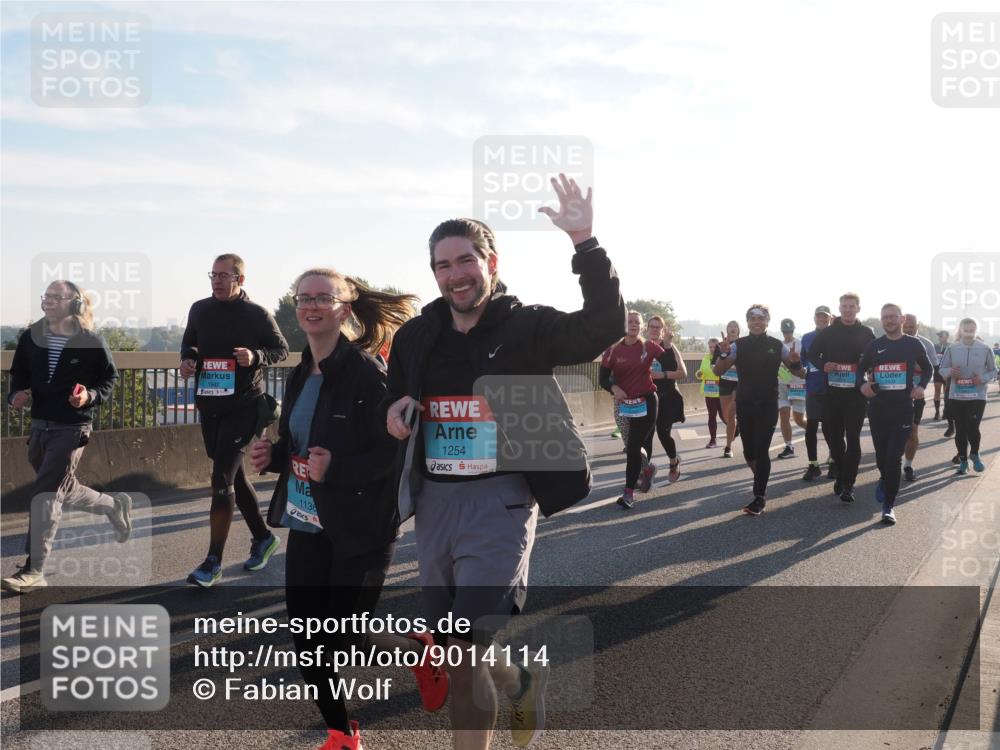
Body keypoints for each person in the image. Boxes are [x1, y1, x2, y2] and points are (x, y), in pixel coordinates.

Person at [381, 174, 624, 749]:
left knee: (464, 648)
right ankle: (519, 681)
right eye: (443, 265)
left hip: (503, 500)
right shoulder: (417, 336)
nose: (455, 274)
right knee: (458, 644)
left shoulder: (527, 326)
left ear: (491, 263)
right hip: (436, 503)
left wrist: (585, 243)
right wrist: (394, 413)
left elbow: (603, 325)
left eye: (466, 260)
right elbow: (397, 396)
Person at [249, 269, 445, 750]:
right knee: (306, 640)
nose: (311, 306)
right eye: (304, 298)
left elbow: (393, 454)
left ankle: (419, 652)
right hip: (308, 521)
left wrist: (337, 468)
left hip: (362, 526)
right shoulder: (300, 373)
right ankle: (342, 734)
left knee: (345, 640)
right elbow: (300, 444)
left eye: (324, 298)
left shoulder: (366, 373)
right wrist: (274, 455)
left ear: (345, 309)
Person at [2, 281, 133, 594]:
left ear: (74, 303)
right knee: (63, 487)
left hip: (72, 427)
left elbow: (109, 379)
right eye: (46, 296)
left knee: (46, 493)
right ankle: (113, 505)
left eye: (55, 297)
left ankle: (34, 569)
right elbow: (18, 373)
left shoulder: (89, 340)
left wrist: (89, 396)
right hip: (40, 424)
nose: (48, 301)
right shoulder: (31, 336)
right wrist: (16, 394)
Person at [180, 254, 289, 587]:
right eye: (213, 275)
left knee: (221, 478)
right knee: (233, 477)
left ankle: (212, 562)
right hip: (210, 404)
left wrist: (255, 356)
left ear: (240, 279)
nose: (216, 281)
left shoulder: (256, 314)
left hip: (244, 406)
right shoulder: (200, 309)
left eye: (223, 275)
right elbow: (190, 345)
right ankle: (263, 537)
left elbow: (281, 349)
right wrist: (187, 361)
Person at [713, 304, 806, 515]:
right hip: (745, 403)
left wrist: (796, 363)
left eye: (761, 318)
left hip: (767, 404)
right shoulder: (738, 345)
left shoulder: (777, 345)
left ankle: (759, 496)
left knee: (762, 450)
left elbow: (800, 373)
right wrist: (723, 354)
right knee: (749, 452)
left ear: (767, 322)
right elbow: (719, 371)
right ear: (747, 322)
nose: (757, 322)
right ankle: (761, 480)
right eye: (753, 319)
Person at [857, 304, 932, 524]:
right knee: (882, 457)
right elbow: (859, 370)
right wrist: (862, 385)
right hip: (878, 409)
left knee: (893, 458)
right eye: (885, 317)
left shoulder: (913, 344)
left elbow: (928, 368)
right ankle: (885, 477)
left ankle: (888, 506)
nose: (889, 321)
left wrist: (921, 386)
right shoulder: (874, 345)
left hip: (902, 409)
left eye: (892, 317)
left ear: (902, 319)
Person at [805, 292, 876, 503]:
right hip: (832, 394)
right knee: (834, 439)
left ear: (858, 309)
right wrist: (823, 364)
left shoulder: (866, 333)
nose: (848, 310)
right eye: (844, 306)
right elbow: (812, 354)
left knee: (852, 438)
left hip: (855, 395)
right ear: (839, 308)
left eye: (851, 306)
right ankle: (842, 473)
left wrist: (868, 373)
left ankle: (848, 484)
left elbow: (874, 359)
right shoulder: (828, 332)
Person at [600, 312, 662, 508]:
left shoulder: (649, 346)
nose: (633, 324)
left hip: (646, 402)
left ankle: (628, 494)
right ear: (623, 324)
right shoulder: (612, 350)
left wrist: (668, 345)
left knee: (633, 447)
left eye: (637, 322)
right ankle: (647, 468)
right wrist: (614, 388)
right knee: (631, 444)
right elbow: (602, 379)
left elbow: (672, 364)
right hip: (624, 404)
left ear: (641, 327)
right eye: (629, 321)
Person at [939, 318, 996, 475]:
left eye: (972, 330)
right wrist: (950, 372)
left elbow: (993, 371)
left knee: (973, 427)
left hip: (977, 396)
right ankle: (963, 461)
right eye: (966, 330)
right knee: (960, 430)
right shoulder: (952, 348)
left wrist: (982, 378)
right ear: (960, 330)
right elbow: (942, 369)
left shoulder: (985, 349)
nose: (969, 333)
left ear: (976, 330)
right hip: (957, 396)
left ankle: (975, 454)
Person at [645, 316, 686, 484]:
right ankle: (644, 470)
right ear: (647, 329)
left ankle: (674, 462)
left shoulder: (668, 347)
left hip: (667, 397)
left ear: (663, 330)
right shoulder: (642, 347)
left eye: (658, 327)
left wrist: (660, 375)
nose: (655, 329)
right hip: (646, 397)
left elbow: (683, 373)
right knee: (646, 436)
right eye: (652, 326)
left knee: (663, 433)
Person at [901, 313, 939, 482]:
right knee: (892, 432)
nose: (908, 330)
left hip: (915, 395)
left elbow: (933, 368)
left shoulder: (926, 344)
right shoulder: (891, 341)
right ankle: (890, 463)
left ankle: (908, 466)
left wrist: (921, 383)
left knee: (912, 431)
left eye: (911, 327)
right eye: (905, 327)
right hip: (892, 395)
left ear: (917, 327)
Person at [800, 306, 833, 481]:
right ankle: (813, 465)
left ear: (830, 318)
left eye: (825, 317)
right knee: (811, 427)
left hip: (832, 387)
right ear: (814, 318)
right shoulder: (807, 337)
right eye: (819, 316)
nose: (822, 319)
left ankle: (834, 461)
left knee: (830, 427)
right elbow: (803, 361)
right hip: (813, 387)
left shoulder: (836, 336)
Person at [776, 318, 806, 459]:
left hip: (798, 384)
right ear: (782, 331)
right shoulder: (779, 345)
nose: (787, 334)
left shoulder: (800, 344)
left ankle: (815, 430)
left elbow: (805, 363)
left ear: (793, 330)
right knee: (784, 414)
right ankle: (789, 446)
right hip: (782, 384)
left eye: (789, 331)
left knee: (799, 420)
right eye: (785, 331)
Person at [718, 319, 741, 458]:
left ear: (739, 330)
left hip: (739, 383)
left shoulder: (743, 344)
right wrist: (723, 353)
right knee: (726, 416)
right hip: (725, 382)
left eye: (735, 326)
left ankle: (728, 447)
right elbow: (716, 365)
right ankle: (735, 427)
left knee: (732, 413)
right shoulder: (721, 345)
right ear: (727, 330)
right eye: (730, 326)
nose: (732, 328)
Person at [696, 338, 722, 448]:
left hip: (721, 392)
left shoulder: (722, 358)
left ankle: (735, 429)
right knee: (712, 416)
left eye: (714, 347)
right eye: (710, 347)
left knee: (724, 416)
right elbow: (702, 373)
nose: (712, 349)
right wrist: (699, 374)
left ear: (718, 347)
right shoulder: (705, 358)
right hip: (709, 392)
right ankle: (713, 440)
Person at [933, 330, 950, 421]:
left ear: (946, 337)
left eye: (941, 336)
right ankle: (937, 412)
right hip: (937, 372)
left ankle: (945, 411)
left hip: (947, 372)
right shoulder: (935, 346)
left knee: (946, 393)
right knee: (937, 392)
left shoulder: (951, 346)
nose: (939, 338)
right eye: (938, 336)